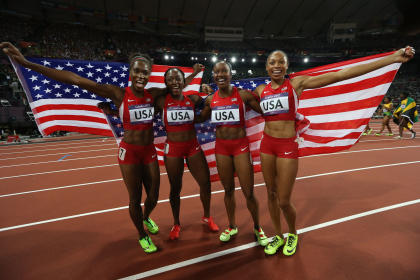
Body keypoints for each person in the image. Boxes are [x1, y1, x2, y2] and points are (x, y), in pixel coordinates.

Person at [1, 41, 202, 254]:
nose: (141, 76)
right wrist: (25, 63)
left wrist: (194, 74)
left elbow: (176, 85)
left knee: (153, 196)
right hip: (130, 153)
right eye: (137, 72)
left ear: (149, 73)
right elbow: (76, 79)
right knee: (134, 198)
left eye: (145, 72)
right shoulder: (118, 94)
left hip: (149, 151)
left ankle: (145, 217)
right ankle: (142, 235)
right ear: (130, 72)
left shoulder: (153, 94)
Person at [254, 47, 415, 256]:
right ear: (266, 67)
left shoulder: (296, 84)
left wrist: (392, 58)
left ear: (286, 66)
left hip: (287, 146)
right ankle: (278, 235)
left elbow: (340, 75)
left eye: (280, 62)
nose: (276, 66)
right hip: (267, 145)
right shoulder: (259, 90)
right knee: (271, 194)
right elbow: (235, 98)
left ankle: (292, 233)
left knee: (283, 200)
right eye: (272, 63)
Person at [196, 61, 269, 246]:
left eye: (224, 72)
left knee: (248, 192)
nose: (220, 75)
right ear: (213, 76)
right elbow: (199, 118)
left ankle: (257, 227)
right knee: (228, 190)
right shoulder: (210, 100)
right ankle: (232, 225)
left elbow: (267, 111)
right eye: (217, 72)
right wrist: (179, 107)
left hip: (240, 148)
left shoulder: (243, 95)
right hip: (221, 149)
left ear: (230, 74)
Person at [155, 67, 219, 240]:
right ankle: (176, 223)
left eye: (178, 79)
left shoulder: (193, 99)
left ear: (184, 81)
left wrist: (210, 96)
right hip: (173, 149)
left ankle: (207, 216)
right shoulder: (161, 101)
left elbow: (211, 102)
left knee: (205, 183)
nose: (175, 82)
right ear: (166, 83)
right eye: (170, 79)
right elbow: (140, 114)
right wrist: (114, 113)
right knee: (175, 188)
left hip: (192, 147)